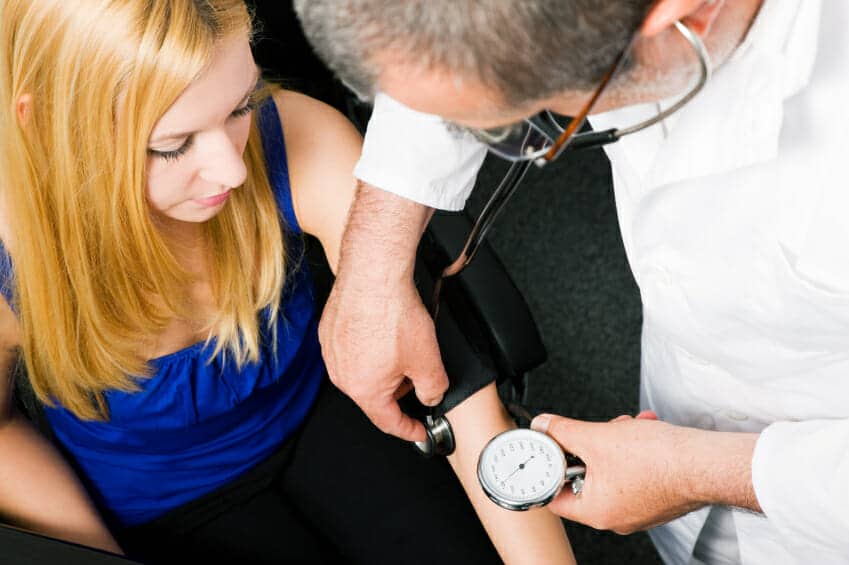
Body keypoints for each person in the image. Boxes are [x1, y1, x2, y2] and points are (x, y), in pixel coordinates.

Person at [0, 1, 577, 563]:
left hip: (318, 406)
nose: (233, 169)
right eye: (172, 146)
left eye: (239, 105)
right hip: (158, 499)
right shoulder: (11, 256)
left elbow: (456, 394)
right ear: (46, 121)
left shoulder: (295, 136)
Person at [295, 0, 849, 563]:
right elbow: (448, 34)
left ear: (689, 14)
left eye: (533, 119)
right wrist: (373, 267)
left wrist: (701, 472)